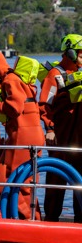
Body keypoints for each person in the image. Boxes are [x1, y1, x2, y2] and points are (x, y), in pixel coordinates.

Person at [0, 48, 44, 219]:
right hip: (34, 134)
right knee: (28, 181)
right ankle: (35, 217)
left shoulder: (9, 80)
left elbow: (15, 108)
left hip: (22, 136)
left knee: (14, 179)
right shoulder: (18, 80)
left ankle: (23, 220)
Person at [40, 34, 82, 222]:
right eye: (81, 54)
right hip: (61, 138)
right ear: (70, 53)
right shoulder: (55, 75)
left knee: (79, 180)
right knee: (56, 179)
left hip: (78, 139)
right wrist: (49, 129)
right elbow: (44, 105)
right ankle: (51, 218)